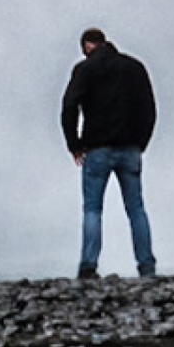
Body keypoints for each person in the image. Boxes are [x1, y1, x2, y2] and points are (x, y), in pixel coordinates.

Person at [60, 27, 157, 278]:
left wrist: (74, 144)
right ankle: (146, 266)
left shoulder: (85, 70)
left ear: (87, 46)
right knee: (136, 208)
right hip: (130, 148)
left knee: (93, 210)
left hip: (97, 148)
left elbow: (69, 105)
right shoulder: (135, 68)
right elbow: (149, 108)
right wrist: (141, 141)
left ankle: (89, 266)